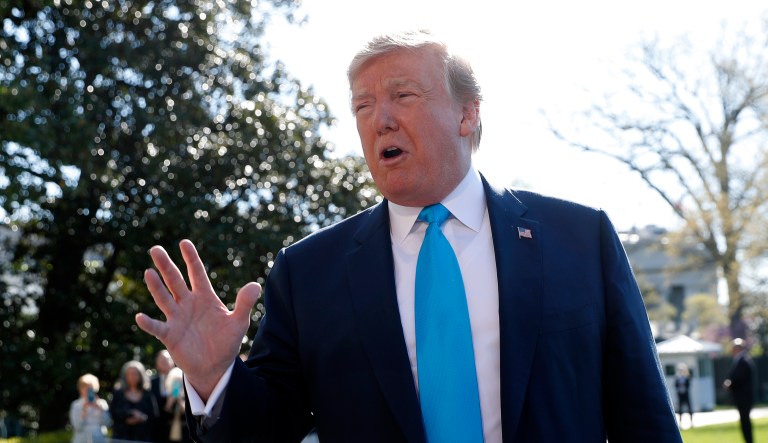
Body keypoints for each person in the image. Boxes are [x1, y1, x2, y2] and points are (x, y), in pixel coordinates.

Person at [136, 30, 682, 442]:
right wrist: (215, 380)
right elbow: (263, 430)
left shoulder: (580, 239)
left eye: (404, 95)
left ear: (467, 113)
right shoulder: (308, 273)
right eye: (363, 106)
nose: (380, 120)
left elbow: (645, 417)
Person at [111, 360, 159, 442]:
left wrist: (142, 418)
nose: (132, 376)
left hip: (143, 437)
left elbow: (154, 416)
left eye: (135, 374)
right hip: (122, 437)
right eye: (129, 374)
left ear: (141, 375)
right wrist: (130, 414)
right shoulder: (118, 393)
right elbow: (113, 413)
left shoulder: (148, 394)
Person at [723, 338, 755, 443]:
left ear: (737, 348)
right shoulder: (740, 360)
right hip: (741, 397)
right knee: (744, 421)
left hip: (744, 397)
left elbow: (739, 378)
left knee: (745, 421)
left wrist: (730, 384)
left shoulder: (744, 360)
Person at [69, 373, 110, 443]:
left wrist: (100, 409)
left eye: (90, 387)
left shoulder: (102, 403)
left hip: (100, 440)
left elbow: (108, 423)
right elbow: (77, 427)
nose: (87, 390)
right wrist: (83, 411)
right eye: (84, 387)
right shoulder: (76, 405)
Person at [150, 350, 175, 442]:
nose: (164, 362)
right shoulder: (150, 383)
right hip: (157, 428)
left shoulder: (179, 380)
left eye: (167, 359)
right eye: (161, 360)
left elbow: (176, 397)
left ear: (173, 362)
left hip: (175, 425)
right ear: (156, 364)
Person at [674, 363, 693, 427]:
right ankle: (680, 423)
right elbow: (675, 386)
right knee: (680, 409)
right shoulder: (677, 378)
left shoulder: (687, 378)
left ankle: (691, 422)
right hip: (680, 395)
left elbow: (688, 385)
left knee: (689, 408)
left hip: (686, 394)